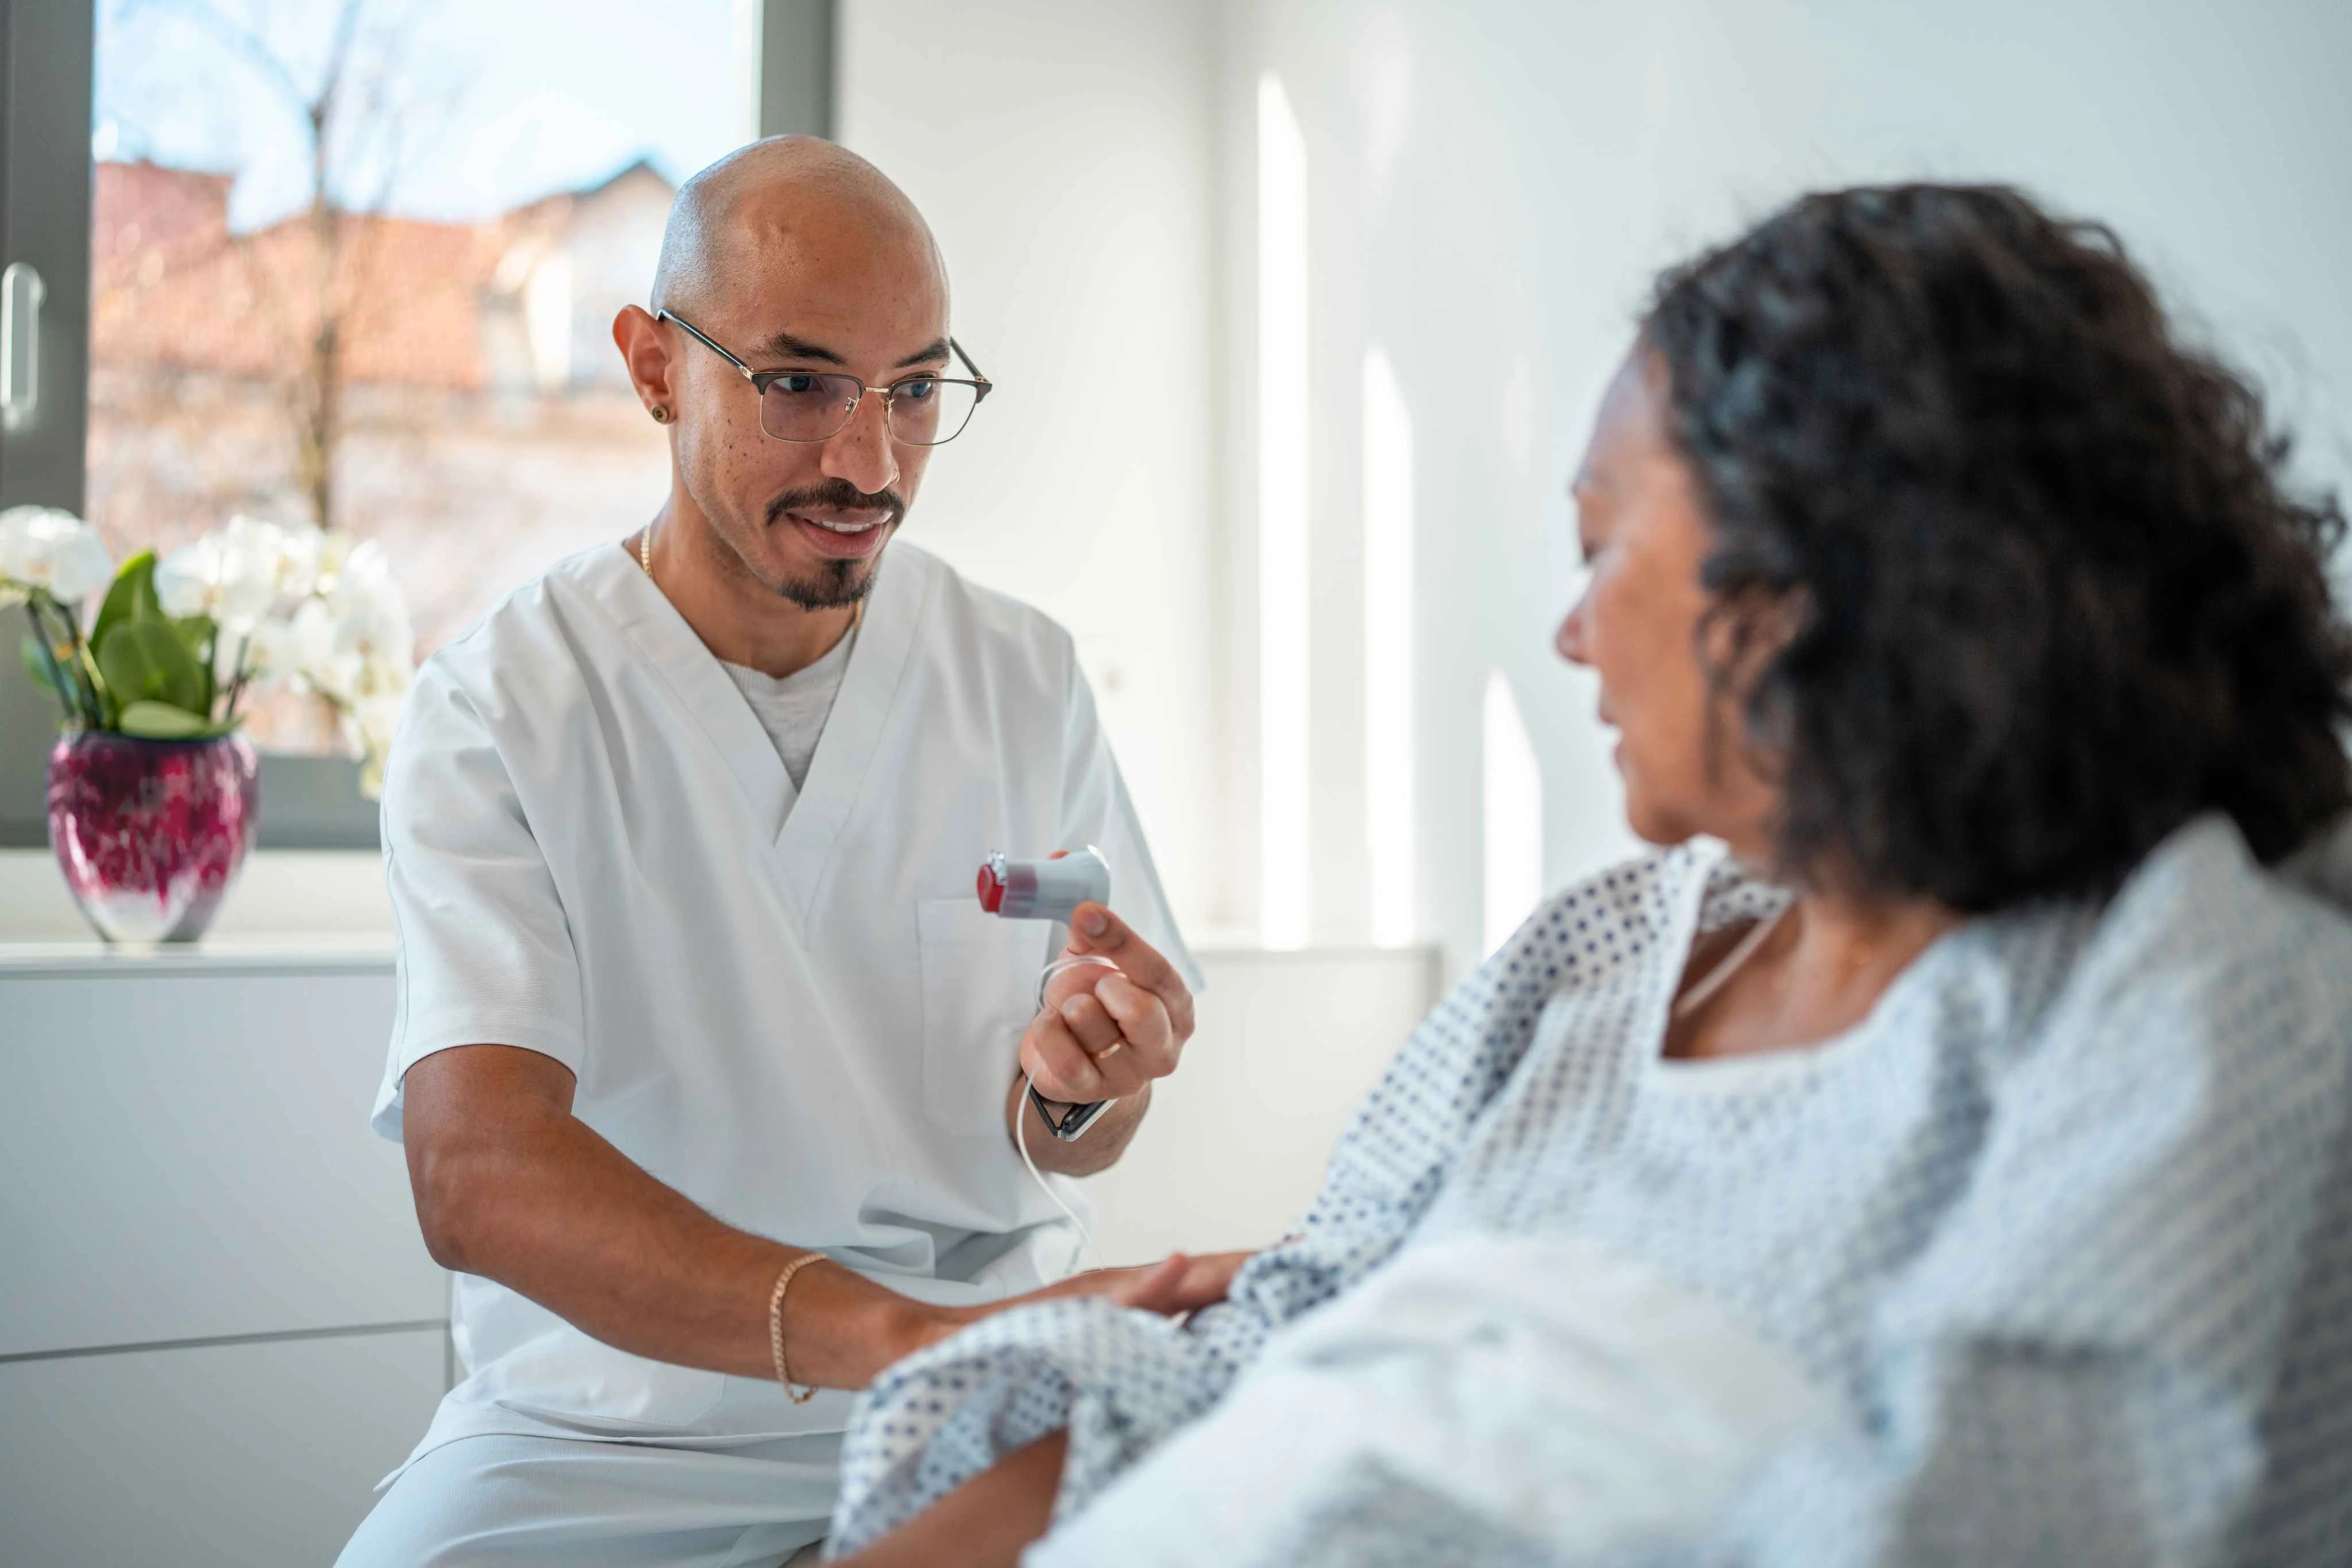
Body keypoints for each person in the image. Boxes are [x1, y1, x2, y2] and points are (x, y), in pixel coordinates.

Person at [821, 183, 2352, 1567]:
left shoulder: (2167, 995)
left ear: (1810, 574)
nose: (1569, 635)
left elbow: (2003, 1507)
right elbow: (1271, 1339)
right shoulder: (1604, 950)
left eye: (1602, 545)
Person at [338, 138, 1240, 1567]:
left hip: (980, 1403)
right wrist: (907, 1334)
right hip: (612, 1435)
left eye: (914, 391)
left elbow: (1071, 1123)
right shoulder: (502, 707)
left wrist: (1084, 1090)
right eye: (799, 382)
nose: (866, 462)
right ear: (651, 367)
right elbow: (478, 1176)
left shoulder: (1019, 674)